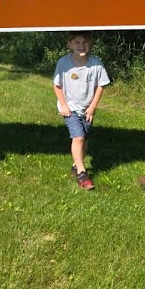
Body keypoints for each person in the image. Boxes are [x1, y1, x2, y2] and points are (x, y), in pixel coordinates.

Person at [52, 30, 110, 190]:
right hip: (70, 108)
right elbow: (57, 86)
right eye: (77, 42)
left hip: (87, 109)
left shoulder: (96, 64)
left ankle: (76, 165)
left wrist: (92, 107)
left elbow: (101, 85)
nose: (81, 46)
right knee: (78, 137)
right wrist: (64, 105)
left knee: (84, 138)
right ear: (69, 44)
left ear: (90, 44)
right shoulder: (63, 63)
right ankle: (82, 174)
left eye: (85, 42)